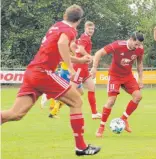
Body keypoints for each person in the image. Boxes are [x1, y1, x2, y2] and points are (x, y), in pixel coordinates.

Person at [1, 5, 101, 156]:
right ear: (79, 21)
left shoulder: (56, 26)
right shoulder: (70, 30)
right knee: (77, 102)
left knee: (16, 114)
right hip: (43, 73)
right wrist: (71, 69)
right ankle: (81, 147)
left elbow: (58, 51)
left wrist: (79, 61)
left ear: (65, 15)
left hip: (32, 72)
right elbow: (62, 45)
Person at [90, 32, 144, 137]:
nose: (137, 47)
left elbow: (140, 63)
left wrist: (141, 79)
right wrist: (94, 67)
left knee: (138, 96)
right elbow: (98, 53)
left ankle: (123, 119)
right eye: (136, 44)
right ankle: (101, 127)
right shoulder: (117, 45)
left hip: (128, 76)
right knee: (111, 101)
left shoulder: (140, 49)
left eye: (139, 45)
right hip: (114, 76)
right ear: (131, 39)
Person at [71, 21, 101, 119]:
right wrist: (89, 56)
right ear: (85, 28)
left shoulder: (85, 38)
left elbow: (75, 47)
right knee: (70, 90)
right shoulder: (85, 37)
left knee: (92, 87)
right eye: (89, 29)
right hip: (79, 67)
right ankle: (53, 96)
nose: (91, 31)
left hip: (84, 68)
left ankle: (94, 113)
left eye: (92, 29)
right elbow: (80, 49)